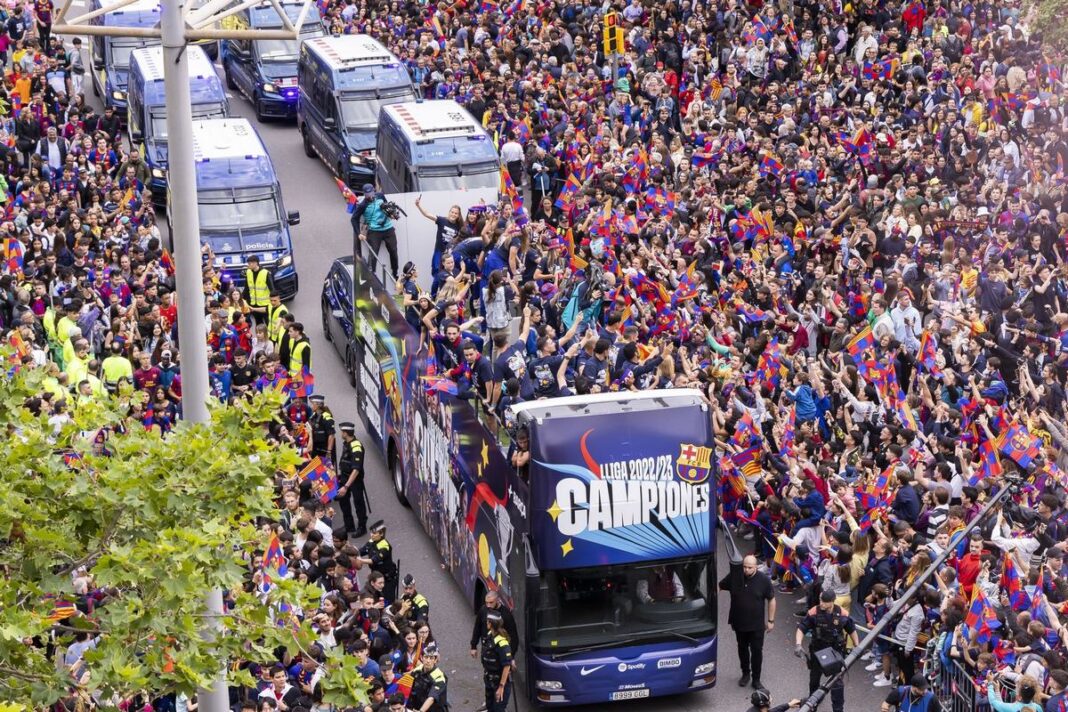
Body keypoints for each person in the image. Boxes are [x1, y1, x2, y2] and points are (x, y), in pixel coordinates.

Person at [795, 590, 859, 712]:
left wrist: (857, 646)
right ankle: (812, 704)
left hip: (835, 653)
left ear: (832, 602)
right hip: (817, 651)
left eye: (825, 602)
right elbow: (802, 628)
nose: (821, 604)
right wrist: (798, 644)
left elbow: (852, 630)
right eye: (821, 600)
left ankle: (838, 709)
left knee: (837, 683)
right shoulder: (814, 612)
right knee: (814, 680)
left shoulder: (842, 614)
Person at [720, 554, 776, 691]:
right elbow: (720, 586)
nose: (746, 570)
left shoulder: (763, 580)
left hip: (756, 625)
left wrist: (770, 620)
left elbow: (771, 599)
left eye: (749, 567)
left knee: (757, 651)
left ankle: (756, 679)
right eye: (744, 567)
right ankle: (745, 673)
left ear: (756, 567)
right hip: (739, 623)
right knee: (742, 649)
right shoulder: (735, 575)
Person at [352, 184, 398, 277]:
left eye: (372, 193)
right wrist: (358, 233)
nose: (370, 196)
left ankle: (395, 273)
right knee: (373, 255)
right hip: (374, 231)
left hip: (388, 228)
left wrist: (391, 214)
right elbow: (354, 219)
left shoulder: (380, 196)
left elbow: (387, 207)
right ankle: (372, 276)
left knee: (393, 251)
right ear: (364, 194)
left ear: (374, 191)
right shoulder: (363, 205)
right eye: (368, 194)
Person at [336, 421, 368, 536]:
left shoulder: (356, 447)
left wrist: (346, 486)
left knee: (358, 502)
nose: (340, 434)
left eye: (341, 432)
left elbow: (356, 469)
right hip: (344, 476)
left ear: (345, 433)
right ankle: (349, 526)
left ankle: (362, 527)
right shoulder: (346, 443)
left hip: (354, 480)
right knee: (342, 500)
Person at [479, 610, 513, 712]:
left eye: (488, 621)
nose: (486, 623)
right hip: (489, 681)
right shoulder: (489, 636)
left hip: (499, 683)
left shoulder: (502, 644)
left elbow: (507, 666)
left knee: (498, 709)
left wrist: (501, 687)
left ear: (492, 623)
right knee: (490, 708)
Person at [470, 590, 518, 661]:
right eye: (486, 602)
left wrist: (511, 656)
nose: (488, 605)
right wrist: (473, 646)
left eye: (491, 602)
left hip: (501, 651)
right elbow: (477, 628)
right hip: (487, 648)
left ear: (498, 600)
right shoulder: (483, 610)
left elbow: (513, 636)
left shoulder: (506, 615)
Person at [358, 520, 398, 602]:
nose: (372, 535)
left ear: (381, 534)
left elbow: (374, 560)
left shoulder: (384, 545)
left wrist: (360, 561)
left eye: (375, 533)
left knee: (387, 602)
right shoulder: (371, 541)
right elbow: (361, 551)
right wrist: (353, 552)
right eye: (371, 533)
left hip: (387, 579)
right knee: (372, 598)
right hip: (375, 577)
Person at [406, 642, 448, 712]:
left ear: (435, 660)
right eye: (426, 657)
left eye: (431, 658)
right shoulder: (418, 669)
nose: (428, 661)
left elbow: (431, 698)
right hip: (419, 704)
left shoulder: (439, 677)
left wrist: (421, 711)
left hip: (434, 709)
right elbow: (407, 678)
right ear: (422, 658)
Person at [243, 255, 275, 325]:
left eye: (250, 263)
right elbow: (246, 287)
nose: (248, 265)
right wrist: (243, 299)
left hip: (265, 304)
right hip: (253, 304)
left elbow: (272, 289)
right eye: (248, 263)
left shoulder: (265, 273)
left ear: (256, 263)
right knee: (258, 323)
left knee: (268, 323)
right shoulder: (248, 272)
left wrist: (273, 303)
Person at [308, 394, 336, 462]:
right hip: (315, 450)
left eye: (313, 404)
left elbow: (331, 435)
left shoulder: (327, 418)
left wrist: (329, 452)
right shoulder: (314, 416)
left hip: (324, 451)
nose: (311, 406)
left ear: (318, 405)